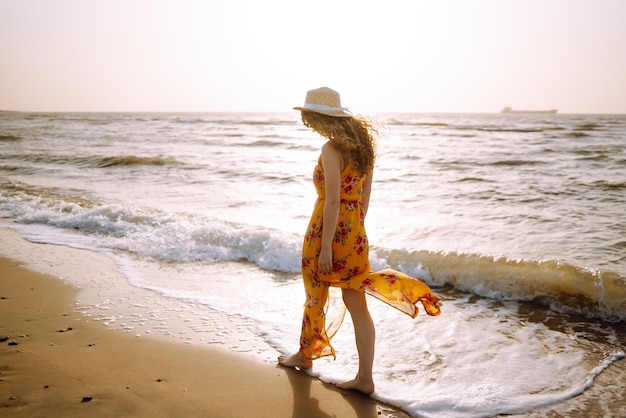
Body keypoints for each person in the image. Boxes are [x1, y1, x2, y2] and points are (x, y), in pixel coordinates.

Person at [278, 87, 441, 395]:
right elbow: (364, 199)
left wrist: (327, 245)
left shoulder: (331, 149)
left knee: (316, 292)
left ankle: (305, 354)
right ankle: (365, 378)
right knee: (357, 304)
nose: (310, 125)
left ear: (323, 119)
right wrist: (354, 228)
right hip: (355, 232)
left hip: (326, 229)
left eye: (311, 119)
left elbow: (332, 202)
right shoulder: (364, 148)